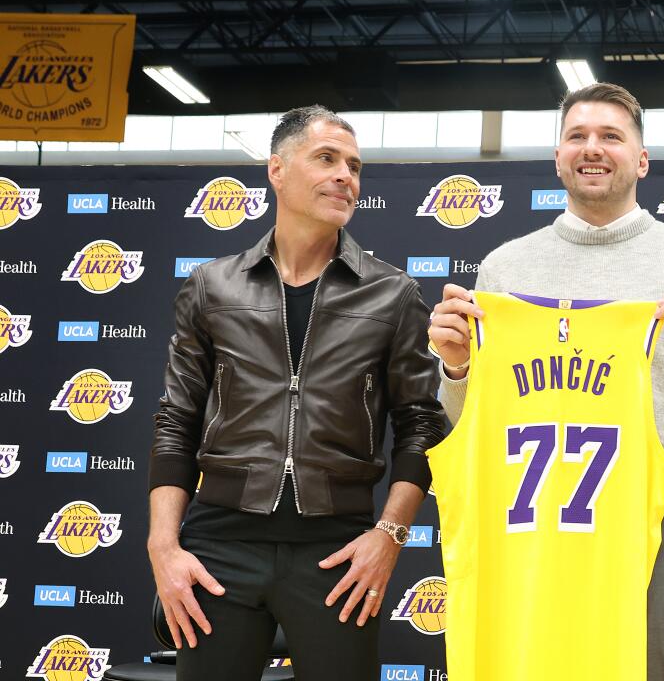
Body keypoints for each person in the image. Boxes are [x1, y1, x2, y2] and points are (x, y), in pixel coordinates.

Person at [428, 82, 664, 680]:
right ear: (557, 156)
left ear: (641, 159)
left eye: (612, 136)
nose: (593, 148)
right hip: (531, 530)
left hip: (661, 529)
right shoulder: (503, 268)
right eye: (577, 136)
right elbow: (467, 420)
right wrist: (456, 367)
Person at [147, 105, 446, 681]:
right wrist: (164, 546)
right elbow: (176, 418)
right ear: (277, 170)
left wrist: (389, 537)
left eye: (355, 166)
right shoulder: (212, 286)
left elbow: (420, 424)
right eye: (327, 159)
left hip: (337, 552)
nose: (345, 176)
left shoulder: (394, 293)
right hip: (219, 546)